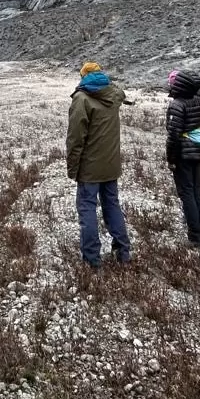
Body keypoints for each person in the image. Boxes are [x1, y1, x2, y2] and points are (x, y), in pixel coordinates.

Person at [66, 62, 131, 267]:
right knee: (112, 205)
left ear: (83, 76)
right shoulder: (114, 95)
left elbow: (75, 139)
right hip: (111, 165)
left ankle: (92, 261)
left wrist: (72, 168)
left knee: (87, 209)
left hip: (89, 168)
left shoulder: (81, 98)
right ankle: (123, 252)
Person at [166, 69, 200, 249]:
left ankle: (195, 237)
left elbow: (174, 135)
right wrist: (195, 91)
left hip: (183, 154)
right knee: (195, 192)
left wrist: (171, 158)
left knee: (187, 194)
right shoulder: (196, 101)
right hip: (195, 150)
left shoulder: (177, 105)